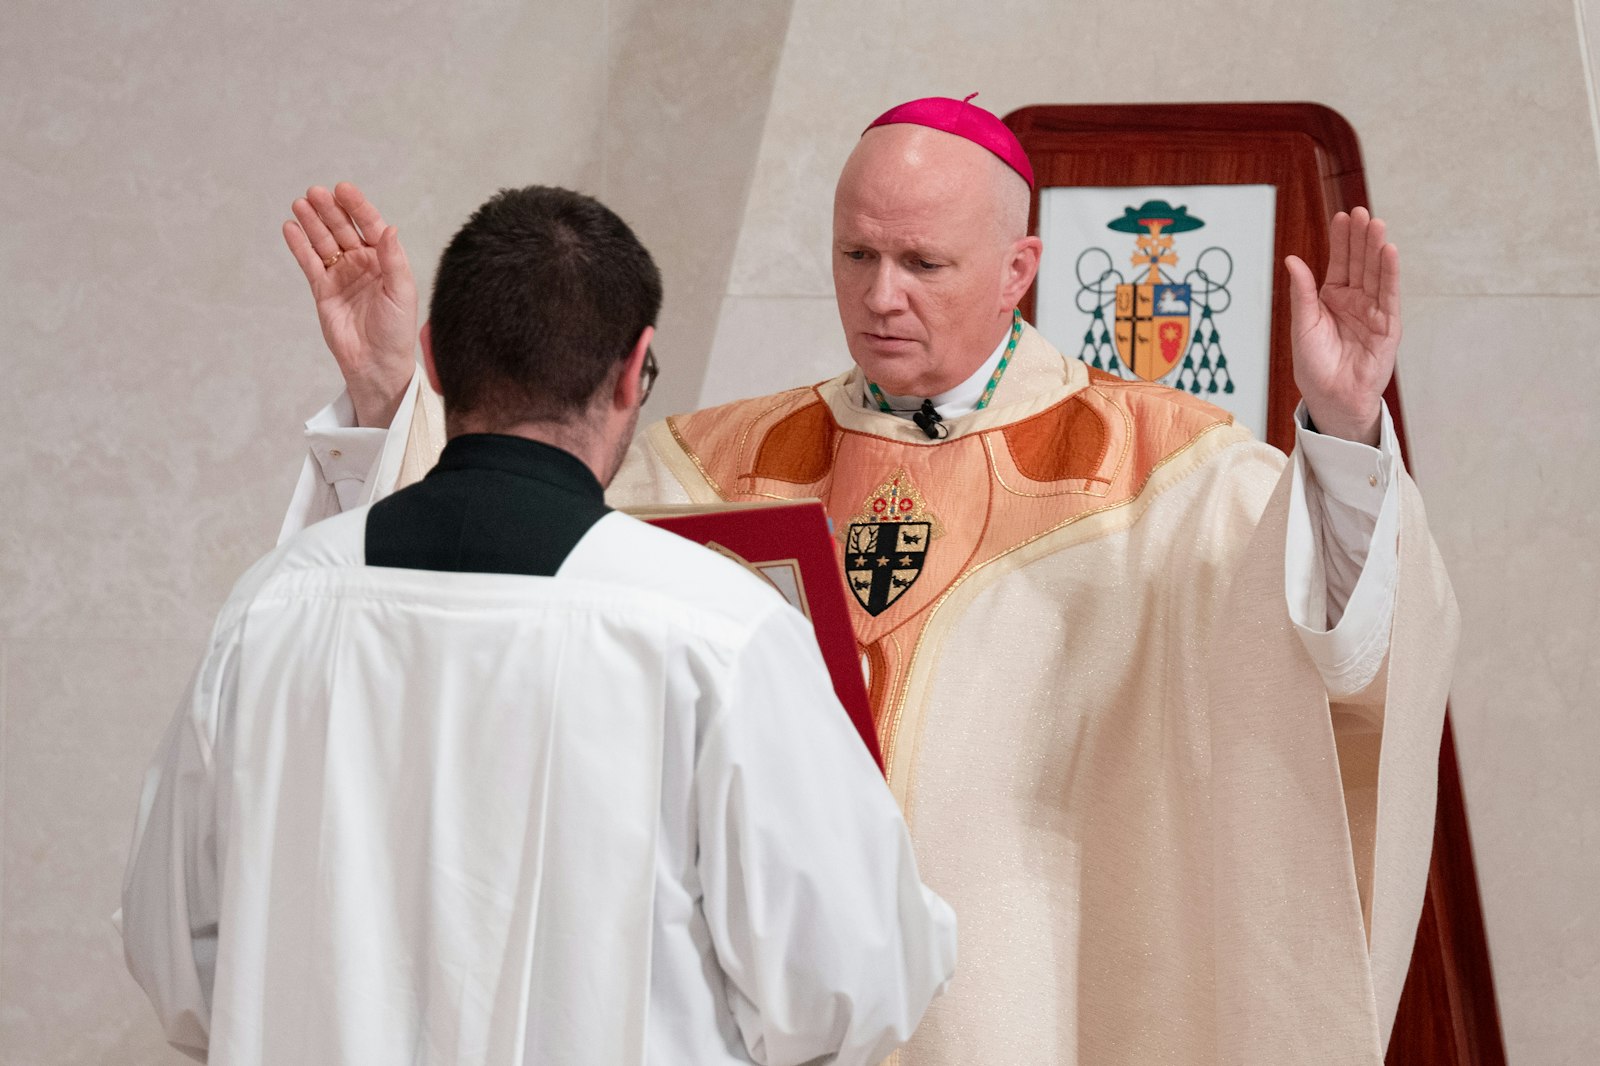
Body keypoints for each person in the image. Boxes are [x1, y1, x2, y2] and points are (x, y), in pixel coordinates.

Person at [277, 99, 1458, 1065]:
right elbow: (491, 570)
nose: (879, 293)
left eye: (922, 262)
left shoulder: (1162, 468)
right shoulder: (715, 460)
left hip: (1017, 1010)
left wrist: (1345, 434)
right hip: (757, 1001)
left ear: (1018, 268)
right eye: (855, 254)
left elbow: (1340, 654)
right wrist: (393, 400)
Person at [121, 185, 957, 1066]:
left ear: (434, 363)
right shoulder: (717, 631)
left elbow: (174, 953)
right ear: (637, 369)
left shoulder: (273, 608)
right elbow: (849, 986)